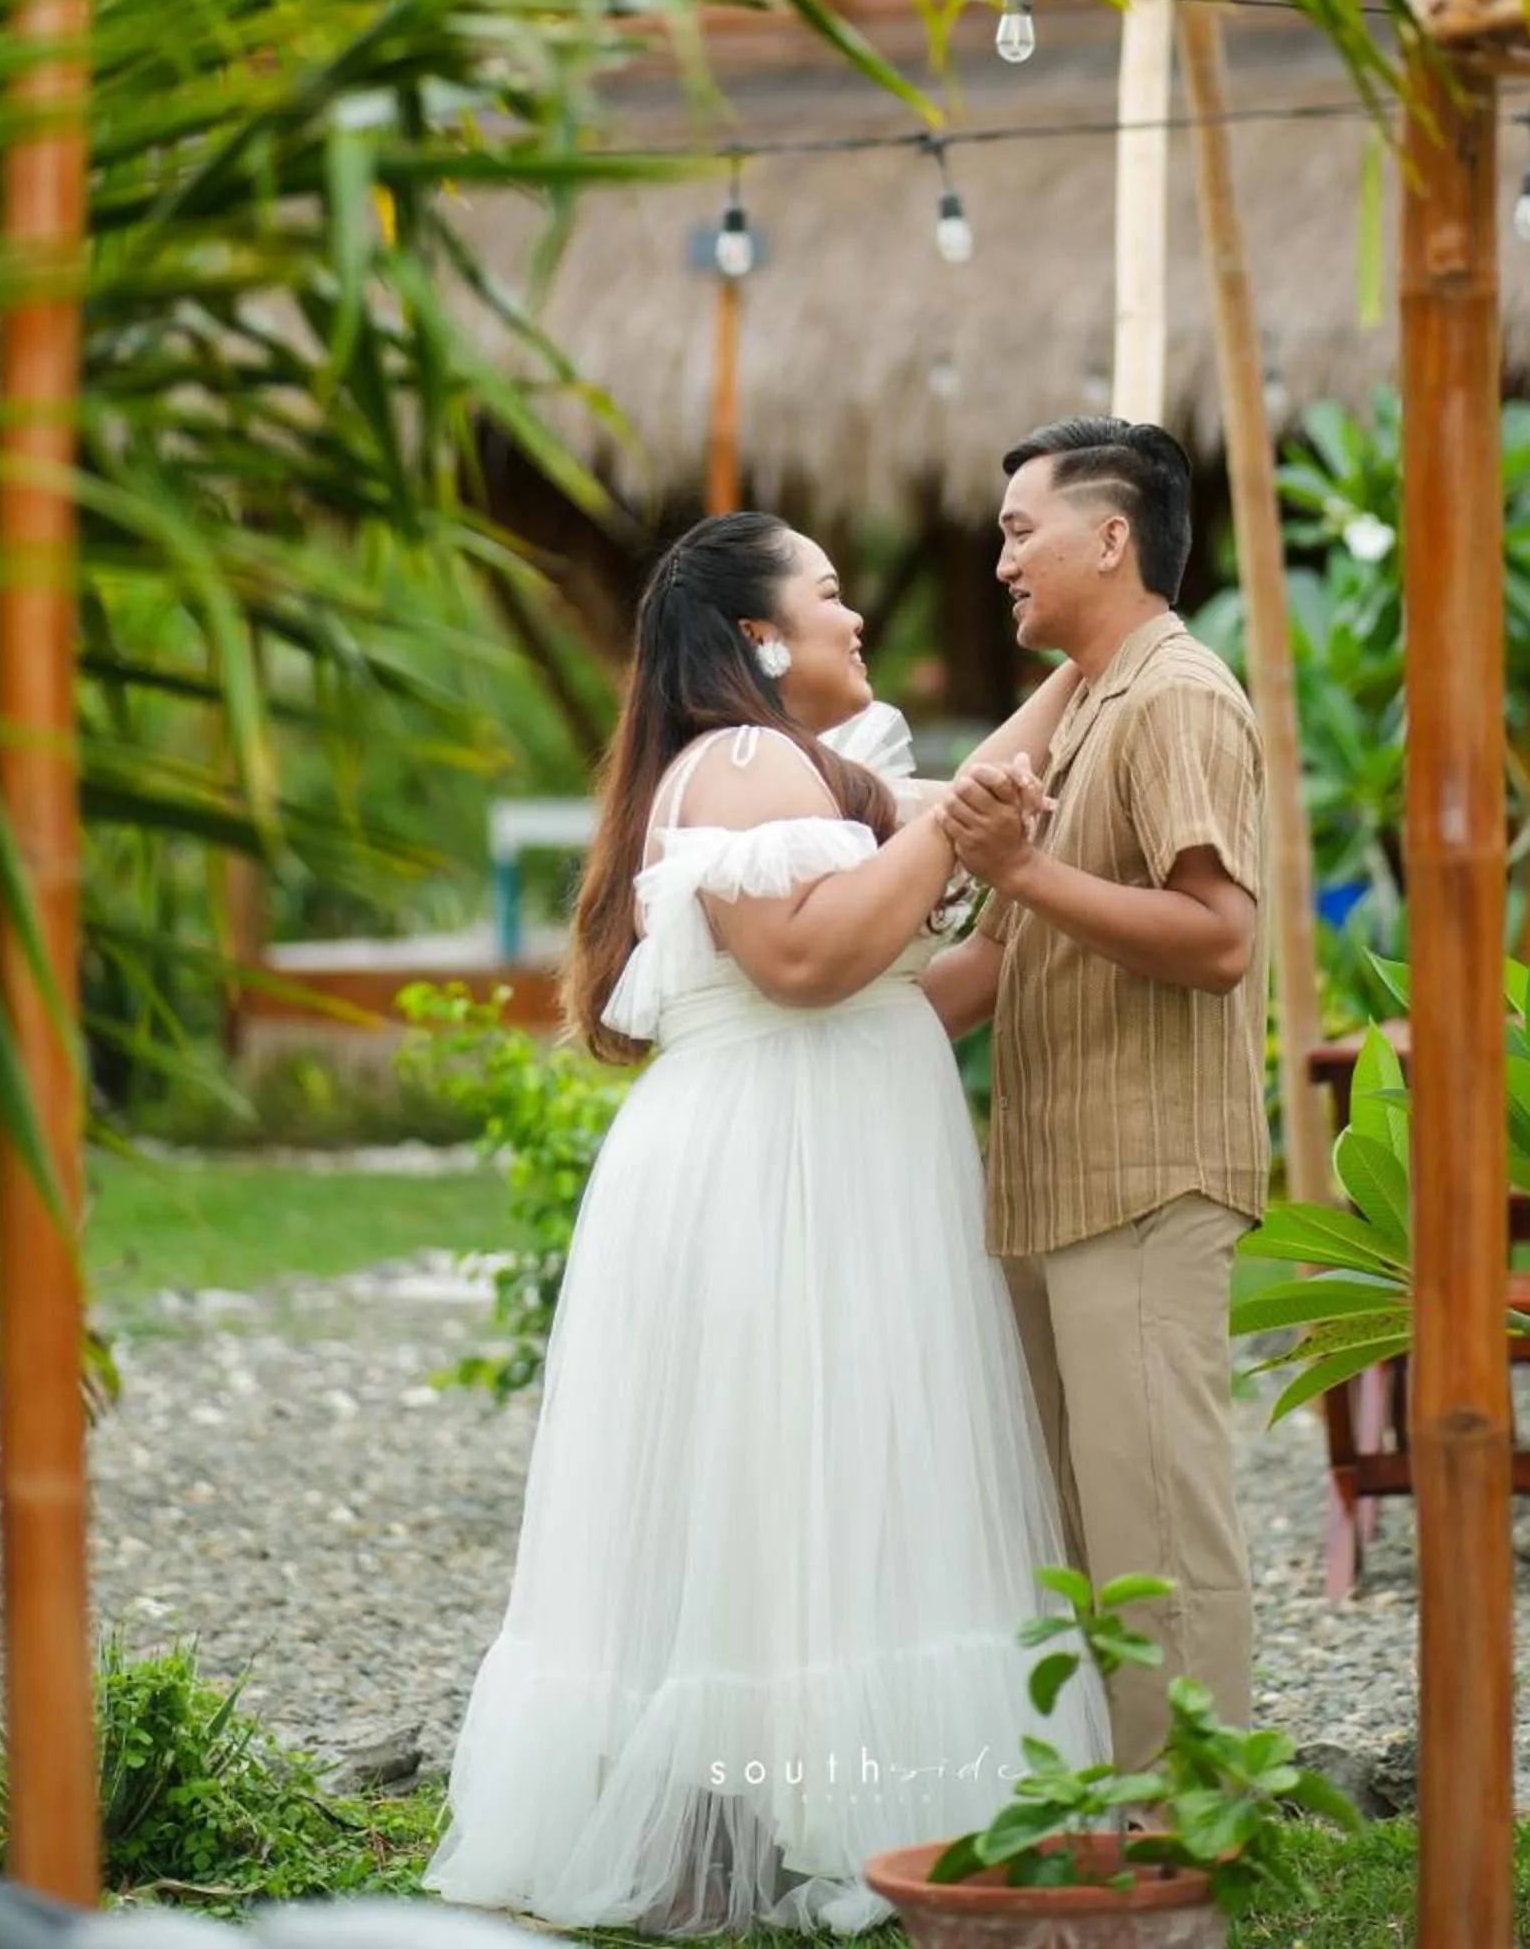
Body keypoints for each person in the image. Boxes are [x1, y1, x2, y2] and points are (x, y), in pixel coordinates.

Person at [426, 509, 1106, 1938]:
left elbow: (901, 980)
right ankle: (733, 1834)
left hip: (831, 1152)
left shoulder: (803, 772)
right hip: (779, 1176)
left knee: (824, 1480)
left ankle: (808, 1815)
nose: (857, 621)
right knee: (786, 1479)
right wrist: (953, 853)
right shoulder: (742, 764)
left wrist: (1083, 702)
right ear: (757, 638)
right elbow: (805, 963)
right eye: (833, 594)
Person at [919, 418, 1267, 1764]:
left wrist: (1018, 875)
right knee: (1081, 1535)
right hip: (1054, 1186)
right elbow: (999, 960)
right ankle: (1116, 1819)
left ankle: (1196, 1833)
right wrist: (802, 1038)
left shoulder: (1176, 695)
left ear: (1110, 539)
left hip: (1143, 1180)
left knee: (1156, 1533)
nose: (1001, 559)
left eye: (1020, 530)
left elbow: (1220, 937)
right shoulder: (1081, 708)